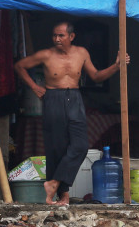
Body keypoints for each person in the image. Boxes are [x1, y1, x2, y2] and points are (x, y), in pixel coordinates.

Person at [14, 20, 128, 205]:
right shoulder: (46, 54)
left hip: (75, 98)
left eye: (61, 35)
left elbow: (96, 76)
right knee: (57, 148)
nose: (57, 39)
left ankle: (54, 183)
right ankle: (63, 196)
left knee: (80, 145)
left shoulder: (81, 53)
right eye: (54, 35)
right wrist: (35, 87)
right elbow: (20, 66)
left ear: (71, 36)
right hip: (53, 99)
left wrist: (116, 66)